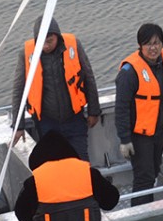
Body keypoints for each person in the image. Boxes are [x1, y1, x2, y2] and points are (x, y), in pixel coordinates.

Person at [114, 23, 163, 205]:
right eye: (148, 44)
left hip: (158, 130)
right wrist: (125, 140)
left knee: (154, 171)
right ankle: (139, 212)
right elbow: (121, 108)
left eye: (157, 43)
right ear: (140, 45)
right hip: (139, 136)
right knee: (144, 177)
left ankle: (150, 206)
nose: (153, 48)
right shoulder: (129, 72)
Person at [11, 16, 100, 161]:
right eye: (42, 41)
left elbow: (89, 77)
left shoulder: (73, 45)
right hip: (46, 123)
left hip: (74, 119)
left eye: (50, 40)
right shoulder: (26, 54)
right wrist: (18, 126)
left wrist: (94, 111)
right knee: (54, 165)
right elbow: (18, 91)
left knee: (81, 162)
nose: (46, 45)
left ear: (57, 36)